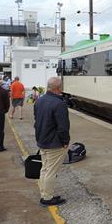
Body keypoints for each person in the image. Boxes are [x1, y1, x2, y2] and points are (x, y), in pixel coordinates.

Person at [34, 77, 69, 206]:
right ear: (58, 88)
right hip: (55, 143)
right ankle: (47, 198)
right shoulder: (59, 104)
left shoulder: (39, 101)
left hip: (42, 140)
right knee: (51, 171)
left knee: (45, 168)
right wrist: (65, 141)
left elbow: (37, 121)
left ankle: (44, 193)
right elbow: (63, 127)